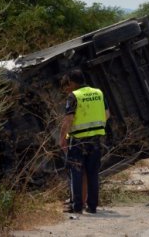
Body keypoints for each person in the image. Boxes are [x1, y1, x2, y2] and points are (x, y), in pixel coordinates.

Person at [59, 69, 110, 214]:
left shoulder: (73, 96)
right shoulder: (98, 93)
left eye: (68, 83)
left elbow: (68, 120)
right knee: (93, 173)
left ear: (72, 82)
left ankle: (77, 206)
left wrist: (62, 139)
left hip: (77, 141)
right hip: (95, 140)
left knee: (76, 173)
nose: (67, 86)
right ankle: (92, 206)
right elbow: (107, 114)